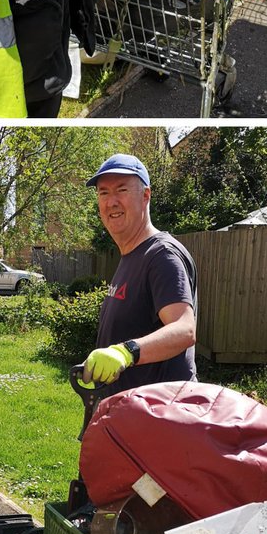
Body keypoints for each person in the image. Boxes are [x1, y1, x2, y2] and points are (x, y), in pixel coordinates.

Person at [80, 154, 198, 396]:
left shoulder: (162, 255)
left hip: (159, 416)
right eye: (103, 193)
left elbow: (184, 329)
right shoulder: (132, 255)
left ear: (146, 195)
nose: (111, 202)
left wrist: (125, 352)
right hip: (127, 414)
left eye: (121, 190)